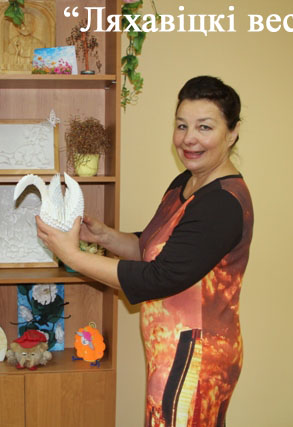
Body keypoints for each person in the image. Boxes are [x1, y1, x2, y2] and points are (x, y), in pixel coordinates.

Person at [36, 75, 253, 426]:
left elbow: (159, 277)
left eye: (204, 127)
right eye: (181, 125)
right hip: (173, 351)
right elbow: (154, 248)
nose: (189, 138)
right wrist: (104, 237)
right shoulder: (187, 182)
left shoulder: (222, 203)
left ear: (232, 132)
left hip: (196, 358)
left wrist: (73, 256)